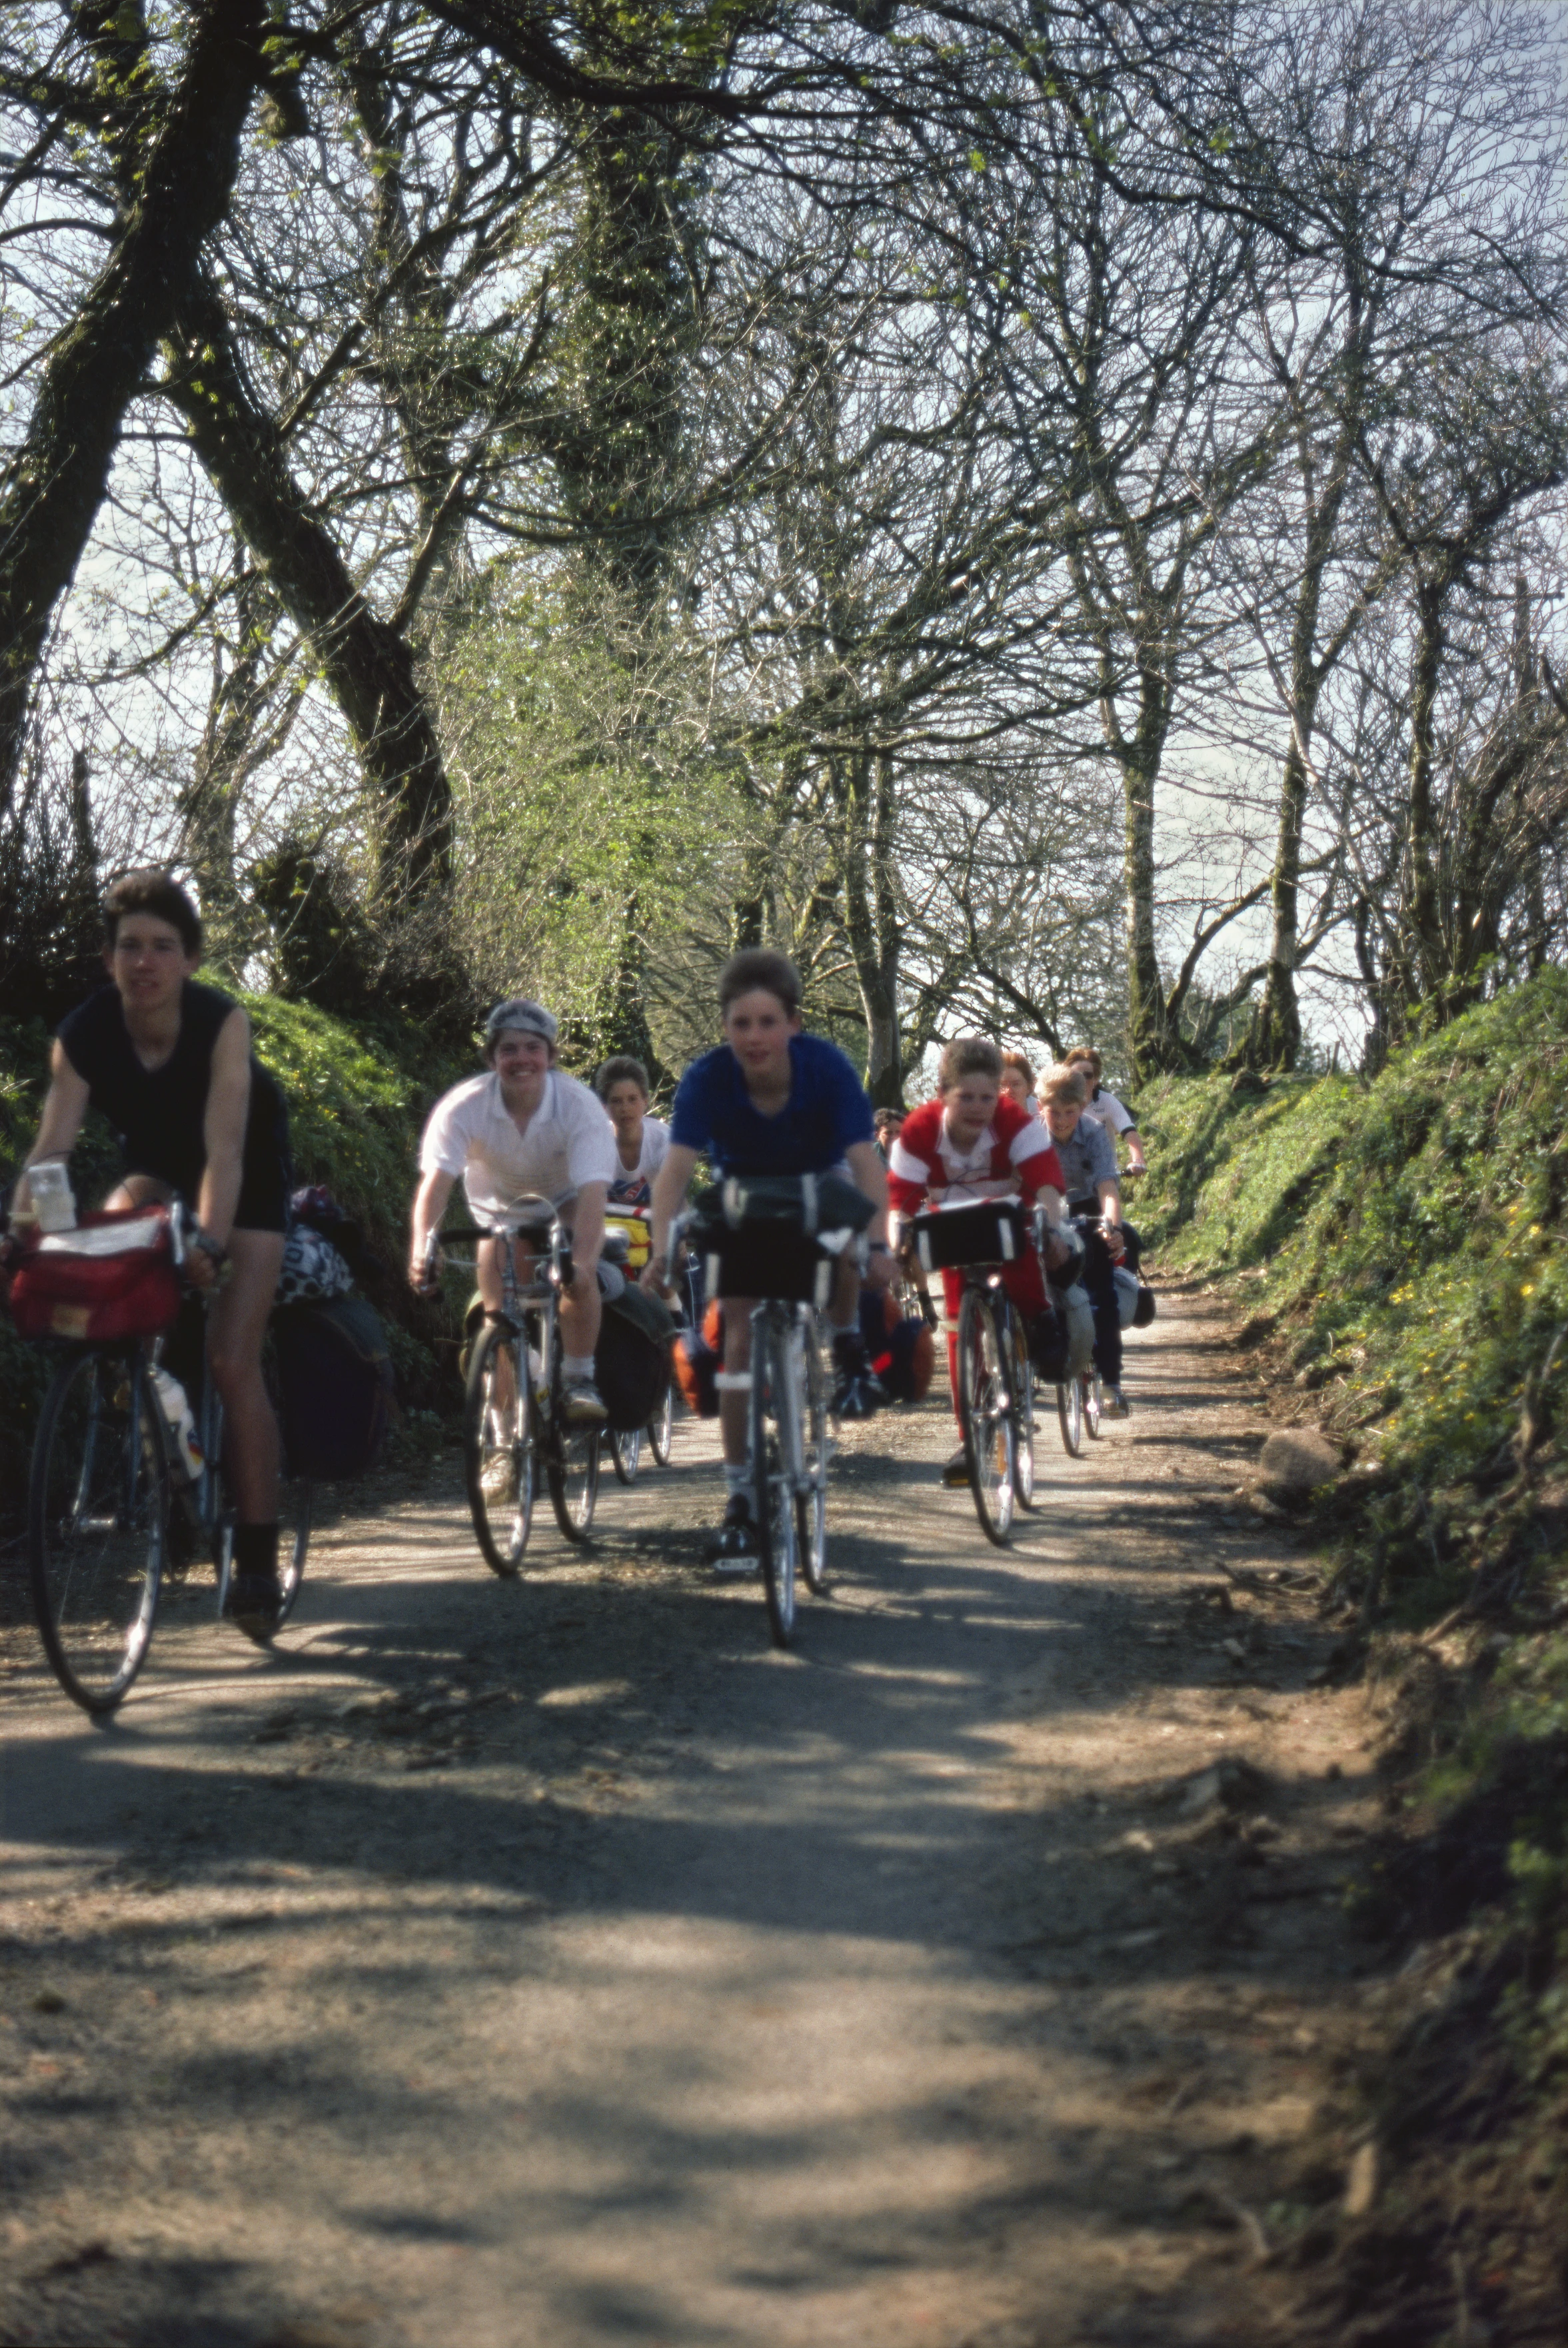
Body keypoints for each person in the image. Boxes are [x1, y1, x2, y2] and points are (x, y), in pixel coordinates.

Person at [13, 869, 293, 1636]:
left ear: (190, 959)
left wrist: (206, 1240)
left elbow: (226, 1153)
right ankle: (158, 1425)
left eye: (163, 948)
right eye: (129, 947)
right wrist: (20, 1231)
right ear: (108, 960)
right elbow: (51, 1149)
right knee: (103, 1253)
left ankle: (261, 1559)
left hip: (246, 1174)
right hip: (153, 1166)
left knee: (234, 1361)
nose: (145, 963)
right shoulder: (83, 1033)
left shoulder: (221, 1020)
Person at [642, 948, 894, 1562]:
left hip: (815, 1184)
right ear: (726, 1027)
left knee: (843, 1241)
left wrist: (881, 1245)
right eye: (740, 1024)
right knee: (736, 1340)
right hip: (742, 1198)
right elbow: (674, 1174)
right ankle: (739, 1504)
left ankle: (845, 1346)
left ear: (793, 1025)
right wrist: (660, 1248)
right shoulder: (706, 1079)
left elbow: (864, 1166)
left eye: (767, 1022)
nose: (754, 1037)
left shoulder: (827, 1068)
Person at [410, 1000, 614, 1480]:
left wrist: (580, 1265)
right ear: (491, 1058)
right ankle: (504, 1441)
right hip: (501, 1210)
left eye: (532, 1048)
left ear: (551, 1055)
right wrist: (424, 1246)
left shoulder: (579, 1106)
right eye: (508, 1049)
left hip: (565, 1200)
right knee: (494, 1315)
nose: (521, 1058)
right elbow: (435, 1186)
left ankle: (579, 1380)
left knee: (575, 1275)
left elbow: (591, 1199)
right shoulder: (463, 1107)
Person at [886, 1038, 1072, 1487]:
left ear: (1000, 1095)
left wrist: (1051, 1225)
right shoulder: (917, 1132)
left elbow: (1046, 1181)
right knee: (958, 1331)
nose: (976, 1107)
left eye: (986, 1097)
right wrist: (896, 1243)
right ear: (942, 1093)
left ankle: (1040, 1320)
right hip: (953, 1227)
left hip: (1008, 1219)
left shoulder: (1015, 1122)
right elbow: (899, 1203)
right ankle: (968, 1438)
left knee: (1022, 1250)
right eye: (964, 1097)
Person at [1039, 1062, 1138, 1415]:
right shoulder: (1031, 1137)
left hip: (1088, 1209)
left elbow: (1108, 1190)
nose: (1062, 1120)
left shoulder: (1095, 1132)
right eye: (1054, 1112)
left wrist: (1111, 1227)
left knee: (1102, 1294)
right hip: (1046, 1213)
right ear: (1041, 1108)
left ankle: (1112, 1383)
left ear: (1082, 1108)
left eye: (1070, 1112)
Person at [597, 1055, 670, 1210]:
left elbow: (675, 1201)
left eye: (632, 1099)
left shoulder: (664, 1140)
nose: (625, 1108)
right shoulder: (594, 1142)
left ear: (645, 1100)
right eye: (616, 1101)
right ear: (604, 1107)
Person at [1064, 1046, 1146, 1174]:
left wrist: (1138, 1160)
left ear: (1096, 1080)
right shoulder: (1059, 1105)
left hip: (1105, 1176)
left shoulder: (1107, 1101)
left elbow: (1130, 1132)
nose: (1082, 1081)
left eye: (1087, 1076)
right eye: (1076, 1076)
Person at [998, 1050, 1036, 1114]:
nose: (1009, 1091)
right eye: (1003, 1085)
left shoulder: (1044, 1119)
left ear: (1029, 1087)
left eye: (1015, 1084)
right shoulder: (985, 1118)